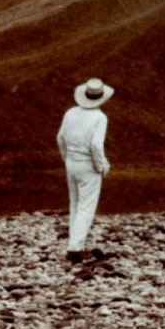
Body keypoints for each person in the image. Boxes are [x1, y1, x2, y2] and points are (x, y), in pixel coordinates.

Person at [57, 77, 113, 263]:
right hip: (88, 164)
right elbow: (96, 145)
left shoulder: (71, 113)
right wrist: (101, 165)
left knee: (75, 204)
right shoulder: (100, 117)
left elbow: (60, 138)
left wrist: (66, 158)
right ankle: (74, 248)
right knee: (86, 208)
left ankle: (76, 244)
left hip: (71, 162)